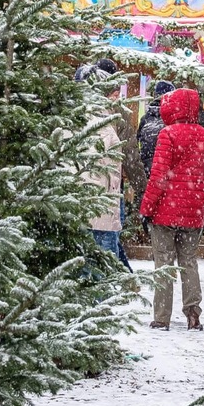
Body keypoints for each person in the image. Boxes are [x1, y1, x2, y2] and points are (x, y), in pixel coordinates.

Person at [139, 88, 204, 331]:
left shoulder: (167, 134)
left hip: (165, 212)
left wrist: (146, 209)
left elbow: (158, 176)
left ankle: (161, 317)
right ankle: (193, 314)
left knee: (164, 264)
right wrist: (202, 203)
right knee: (189, 262)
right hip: (193, 213)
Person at [76, 60, 131, 271]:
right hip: (101, 210)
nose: (116, 96)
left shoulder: (76, 121)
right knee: (100, 269)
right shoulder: (106, 124)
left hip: (86, 209)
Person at [138, 80, 176, 175]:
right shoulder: (172, 119)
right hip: (166, 169)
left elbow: (138, 139)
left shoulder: (146, 118)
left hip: (146, 167)